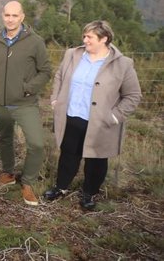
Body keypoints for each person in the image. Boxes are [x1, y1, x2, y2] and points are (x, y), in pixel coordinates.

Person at [44, 21, 141, 210]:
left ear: (104, 39)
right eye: (84, 36)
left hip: (99, 123)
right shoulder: (73, 54)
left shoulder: (123, 64)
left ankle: (89, 193)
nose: (84, 40)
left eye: (90, 37)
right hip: (72, 116)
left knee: (96, 159)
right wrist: (56, 100)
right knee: (68, 154)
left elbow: (133, 95)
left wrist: (114, 117)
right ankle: (61, 187)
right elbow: (59, 76)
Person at [0, 1, 51, 206]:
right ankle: (8, 173)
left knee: (36, 144)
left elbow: (45, 71)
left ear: (22, 17)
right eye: (7, 15)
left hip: (24, 103)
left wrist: (28, 88)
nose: (10, 19)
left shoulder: (35, 42)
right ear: (3, 16)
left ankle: (28, 182)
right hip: (1, 102)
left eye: (15, 15)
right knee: (5, 138)